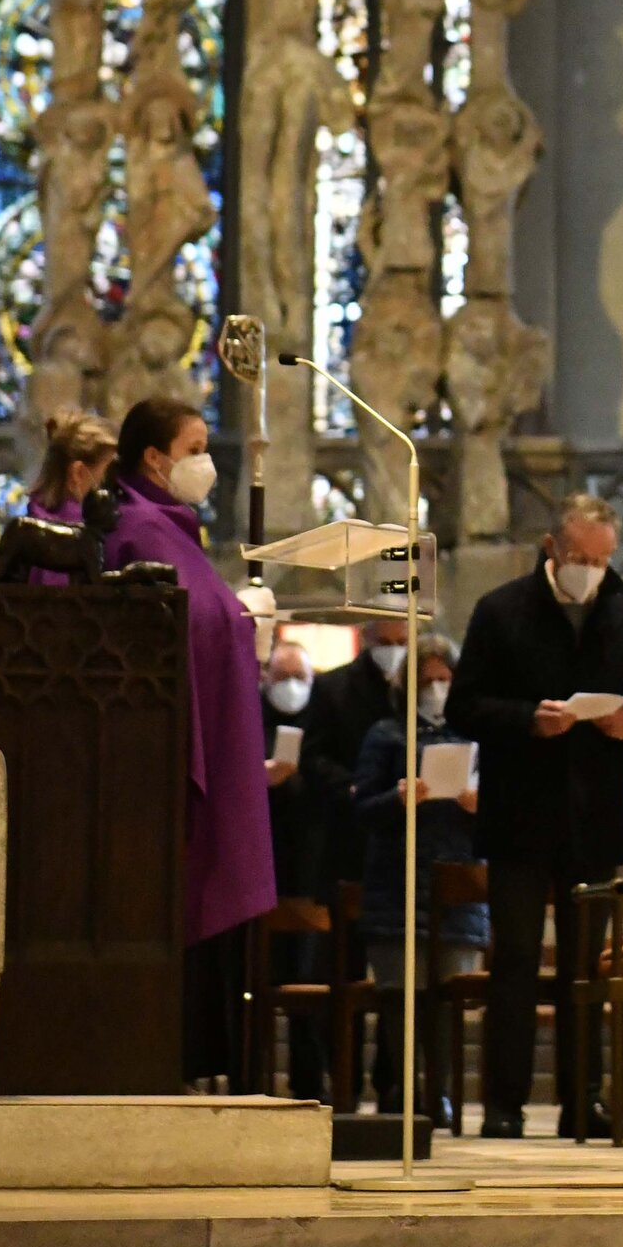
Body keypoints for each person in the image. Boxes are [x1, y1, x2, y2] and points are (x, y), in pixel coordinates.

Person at [446, 493, 623, 1139]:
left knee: (585, 967)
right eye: (578, 557)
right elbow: (463, 706)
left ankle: (584, 1101)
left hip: (592, 816)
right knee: (515, 960)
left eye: (601, 560)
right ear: (552, 547)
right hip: (521, 812)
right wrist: (525, 719)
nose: (589, 570)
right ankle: (504, 1103)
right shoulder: (501, 611)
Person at [105, 396, 277, 1092]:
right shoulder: (141, 528)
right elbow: (189, 623)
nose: (207, 461)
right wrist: (241, 620)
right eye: (196, 445)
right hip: (161, 759)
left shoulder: (174, 526)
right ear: (154, 457)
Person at [352, 633, 487, 1125]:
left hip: (459, 890)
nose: (436, 689)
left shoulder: (476, 736)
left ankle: (442, 1091)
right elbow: (362, 806)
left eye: (444, 680)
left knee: (450, 999)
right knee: (399, 994)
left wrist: (479, 806)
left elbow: (510, 817)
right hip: (397, 884)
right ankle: (405, 1091)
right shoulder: (386, 735)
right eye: (427, 680)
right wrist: (399, 797)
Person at [306, 616, 412, 1106]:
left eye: (401, 641)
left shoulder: (415, 690)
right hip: (346, 846)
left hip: (399, 851)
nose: (392, 649)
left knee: (397, 976)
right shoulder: (333, 689)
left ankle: (394, 1082)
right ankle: (342, 1080)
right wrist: (352, 786)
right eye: (384, 641)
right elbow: (315, 757)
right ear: (367, 638)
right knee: (342, 972)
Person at [262, 637, 331, 1099]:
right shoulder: (250, 719)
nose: (291, 686)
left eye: (299, 677)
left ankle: (310, 1082)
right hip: (264, 865)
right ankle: (253, 1078)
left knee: (308, 982)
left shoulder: (324, 722)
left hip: (310, 869)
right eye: (282, 677)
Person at [26, 408, 117, 526]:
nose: (115, 484)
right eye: (108, 472)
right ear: (78, 473)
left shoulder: (31, 522)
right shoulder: (80, 535)